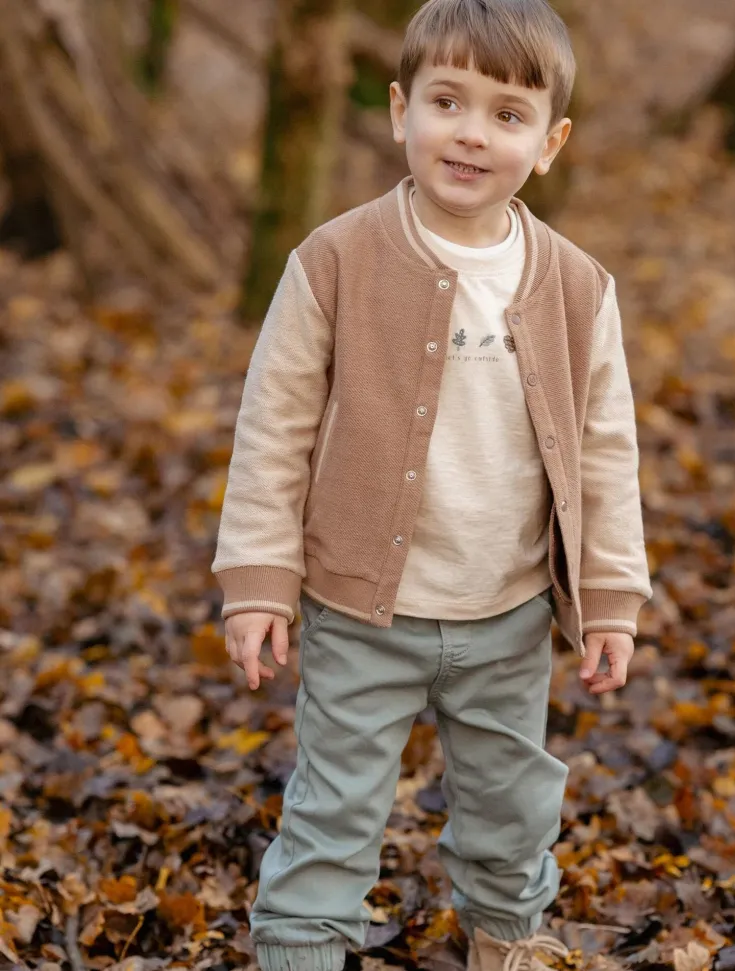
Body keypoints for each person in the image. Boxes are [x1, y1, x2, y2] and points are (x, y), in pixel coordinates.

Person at [212, 0, 652, 968]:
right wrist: (256, 576)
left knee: (511, 813)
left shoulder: (579, 287)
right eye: (447, 101)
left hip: (506, 612)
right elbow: (273, 425)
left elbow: (605, 445)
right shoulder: (333, 261)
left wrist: (611, 594)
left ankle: (507, 943)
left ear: (549, 142)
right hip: (362, 606)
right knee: (333, 812)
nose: (471, 133)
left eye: (506, 114)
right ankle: (300, 951)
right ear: (398, 109)